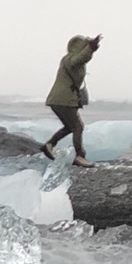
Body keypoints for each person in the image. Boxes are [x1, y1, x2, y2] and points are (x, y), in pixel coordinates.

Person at [42, 34, 101, 166]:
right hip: (63, 99)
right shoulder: (70, 59)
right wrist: (90, 48)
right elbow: (80, 59)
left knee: (70, 127)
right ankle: (80, 156)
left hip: (59, 99)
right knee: (78, 126)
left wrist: (91, 49)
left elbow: (82, 59)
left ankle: (49, 144)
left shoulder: (70, 59)